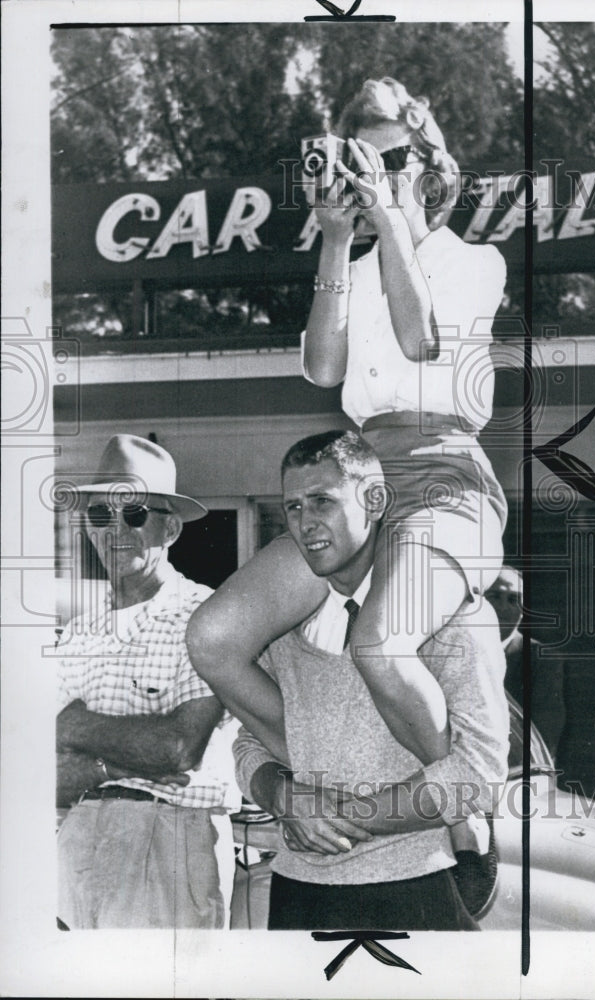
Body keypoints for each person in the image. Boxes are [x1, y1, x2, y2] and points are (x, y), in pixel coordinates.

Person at [188, 76, 507, 774]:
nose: (377, 179)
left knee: (380, 642)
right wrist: (335, 238)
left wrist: (388, 217)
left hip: (445, 476)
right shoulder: (358, 268)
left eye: (393, 162)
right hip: (361, 477)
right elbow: (322, 370)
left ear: (433, 170)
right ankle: (317, 760)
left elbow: (421, 341)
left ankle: (456, 797)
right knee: (214, 636)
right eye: (363, 164)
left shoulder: (473, 260)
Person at [232, 431, 510, 930]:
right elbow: (249, 743)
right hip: (298, 894)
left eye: (322, 501)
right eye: (292, 507)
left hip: (417, 887)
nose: (305, 523)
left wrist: (343, 820)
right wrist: (281, 795)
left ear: (375, 500)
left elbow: (479, 774)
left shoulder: (453, 614)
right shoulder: (288, 623)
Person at [56, 435, 239, 929]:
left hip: (168, 840)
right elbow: (39, 771)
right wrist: (107, 764)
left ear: (171, 527)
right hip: (73, 843)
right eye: (100, 516)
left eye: (133, 514)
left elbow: (178, 748)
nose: (115, 530)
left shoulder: (205, 617)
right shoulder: (77, 631)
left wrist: (73, 727)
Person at [485, 566, 566, 758]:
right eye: (494, 596)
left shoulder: (541, 658)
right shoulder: (457, 650)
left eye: (514, 599)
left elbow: (545, 732)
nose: (503, 607)